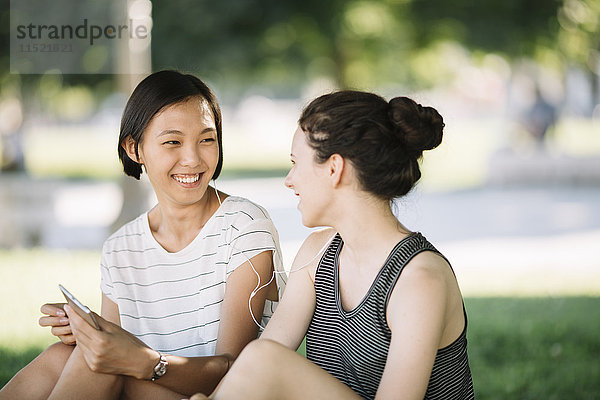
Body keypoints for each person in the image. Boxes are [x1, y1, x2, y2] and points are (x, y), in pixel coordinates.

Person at [0, 70, 286, 399]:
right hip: (148, 388)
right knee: (62, 356)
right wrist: (96, 333)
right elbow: (118, 355)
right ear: (134, 149)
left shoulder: (244, 225)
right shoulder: (121, 249)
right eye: (173, 142)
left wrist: (145, 362)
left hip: (219, 394)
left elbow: (236, 373)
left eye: (206, 139)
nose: (192, 159)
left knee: (96, 363)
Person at [190, 90, 474, 400]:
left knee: (264, 358)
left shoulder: (419, 278)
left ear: (334, 168)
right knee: (261, 356)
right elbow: (261, 359)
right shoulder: (317, 253)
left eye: (296, 163)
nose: (289, 180)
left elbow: (264, 362)